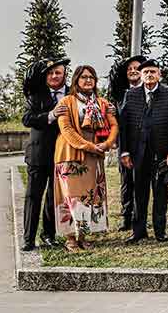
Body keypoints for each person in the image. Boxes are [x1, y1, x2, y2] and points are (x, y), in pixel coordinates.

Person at [52, 65, 118, 251]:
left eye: (91, 77)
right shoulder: (66, 101)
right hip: (70, 155)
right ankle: (70, 238)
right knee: (70, 198)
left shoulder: (103, 103)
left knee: (89, 197)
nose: (88, 80)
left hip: (94, 156)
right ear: (76, 81)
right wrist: (90, 146)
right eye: (83, 77)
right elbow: (66, 130)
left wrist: (107, 144)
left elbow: (113, 126)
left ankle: (83, 236)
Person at [119, 59, 168, 243]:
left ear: (159, 75)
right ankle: (138, 231)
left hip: (162, 153)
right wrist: (124, 152)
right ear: (140, 74)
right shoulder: (131, 95)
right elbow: (123, 126)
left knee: (160, 193)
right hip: (138, 154)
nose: (149, 75)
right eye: (146, 71)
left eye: (153, 71)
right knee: (138, 193)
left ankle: (160, 230)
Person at [21, 57, 70, 251]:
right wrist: (51, 115)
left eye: (58, 72)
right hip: (38, 155)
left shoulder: (71, 94)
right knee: (33, 197)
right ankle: (28, 238)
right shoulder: (36, 94)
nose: (54, 76)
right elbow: (27, 119)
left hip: (62, 155)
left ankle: (48, 235)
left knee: (53, 197)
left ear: (65, 74)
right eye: (50, 73)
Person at [109, 54, 145, 232]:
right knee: (126, 183)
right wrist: (121, 148)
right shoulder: (120, 94)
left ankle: (140, 217)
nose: (133, 71)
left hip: (144, 144)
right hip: (125, 143)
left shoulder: (149, 90)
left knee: (141, 184)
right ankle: (126, 216)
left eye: (136, 68)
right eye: (129, 69)